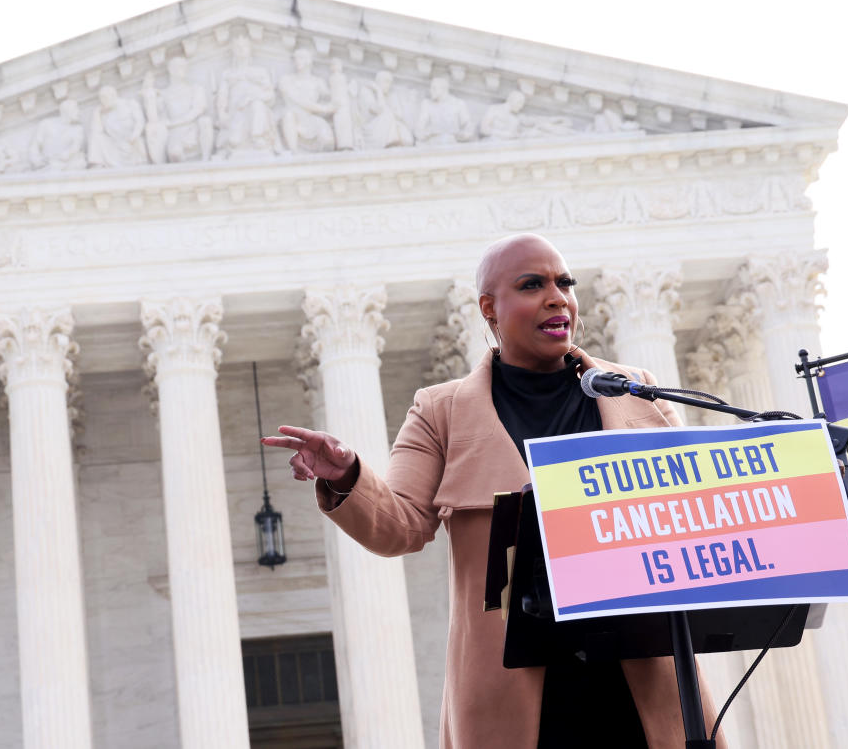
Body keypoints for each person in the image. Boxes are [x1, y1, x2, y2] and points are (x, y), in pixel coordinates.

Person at [263, 233, 725, 749]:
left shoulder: (637, 391)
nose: (557, 297)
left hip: (642, 675)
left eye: (564, 283)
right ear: (490, 309)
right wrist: (347, 474)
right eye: (533, 284)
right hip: (517, 684)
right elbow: (400, 526)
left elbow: (694, 514)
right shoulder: (441, 410)